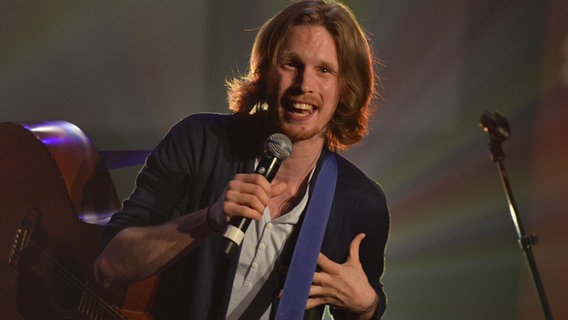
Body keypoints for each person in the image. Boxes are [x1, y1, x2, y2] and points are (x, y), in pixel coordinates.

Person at [95, 0, 390, 319]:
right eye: (291, 64)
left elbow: (360, 305)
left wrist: (367, 306)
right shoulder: (199, 142)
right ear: (265, 72)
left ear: (346, 88)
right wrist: (208, 219)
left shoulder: (361, 202)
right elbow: (110, 266)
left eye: (324, 70)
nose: (304, 86)